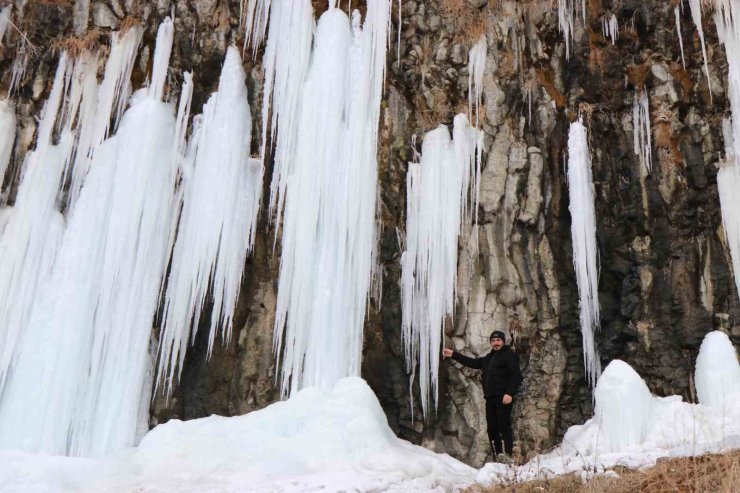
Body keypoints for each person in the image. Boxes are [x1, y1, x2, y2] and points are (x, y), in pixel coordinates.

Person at [443, 330, 522, 463]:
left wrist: (509, 393)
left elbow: (516, 376)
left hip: (503, 397)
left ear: (503, 341)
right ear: (490, 343)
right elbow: (472, 363)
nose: (495, 343)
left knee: (504, 425)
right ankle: (498, 456)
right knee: (492, 428)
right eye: (493, 341)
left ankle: (507, 455)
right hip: (490, 398)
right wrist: (453, 354)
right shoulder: (488, 358)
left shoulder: (509, 355)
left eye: (498, 340)